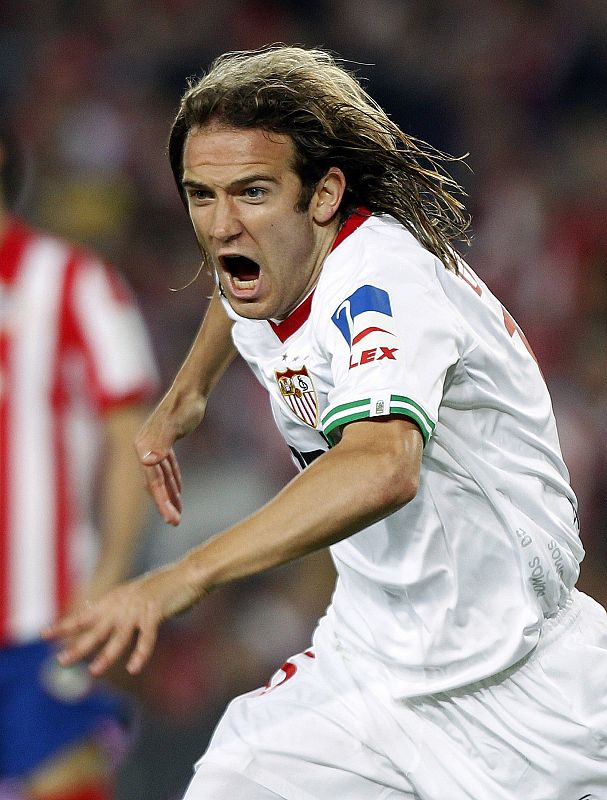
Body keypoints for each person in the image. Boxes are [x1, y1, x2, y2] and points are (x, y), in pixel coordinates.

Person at [44, 46, 607, 800]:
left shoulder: (380, 283)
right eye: (199, 195)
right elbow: (230, 281)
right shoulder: (272, 264)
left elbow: (382, 466)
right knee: (229, 783)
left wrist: (184, 577)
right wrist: (189, 392)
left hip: (526, 692)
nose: (220, 226)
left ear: (323, 194)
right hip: (367, 669)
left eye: (249, 191)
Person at [0, 122, 159, 800]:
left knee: (63, 776)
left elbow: (133, 440)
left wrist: (111, 578)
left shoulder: (72, 280)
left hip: (45, 610)